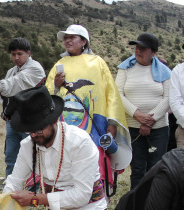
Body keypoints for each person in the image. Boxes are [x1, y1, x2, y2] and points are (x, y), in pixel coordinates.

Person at [3, 87, 108, 210]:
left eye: (39, 127)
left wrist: (35, 199)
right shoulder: (28, 145)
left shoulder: (79, 143)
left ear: (54, 120)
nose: (34, 134)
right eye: (30, 129)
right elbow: (14, 181)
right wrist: (4, 203)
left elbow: (82, 196)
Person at [45, 25, 132, 196]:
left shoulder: (97, 63)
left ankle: (98, 196)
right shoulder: (59, 65)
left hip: (94, 122)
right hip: (64, 122)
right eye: (66, 38)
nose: (68, 40)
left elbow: (111, 93)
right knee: (66, 158)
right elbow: (48, 95)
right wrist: (56, 85)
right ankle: (67, 197)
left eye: (73, 37)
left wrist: (112, 122)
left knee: (95, 157)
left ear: (84, 41)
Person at [0, 38, 46, 176]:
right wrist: (6, 111)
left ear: (28, 53)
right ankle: (10, 188)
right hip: (13, 120)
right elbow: (7, 95)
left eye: (20, 54)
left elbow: (16, 83)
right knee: (11, 157)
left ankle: (34, 189)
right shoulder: (11, 71)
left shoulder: (35, 69)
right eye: (13, 54)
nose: (16, 58)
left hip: (31, 121)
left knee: (33, 157)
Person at [115, 32, 172, 189]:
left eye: (143, 48)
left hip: (159, 128)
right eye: (137, 47)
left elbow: (168, 98)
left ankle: (153, 205)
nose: (138, 51)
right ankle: (136, 206)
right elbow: (118, 93)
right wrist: (137, 115)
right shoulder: (125, 68)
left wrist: (149, 121)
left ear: (153, 52)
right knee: (138, 169)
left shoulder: (165, 72)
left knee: (156, 168)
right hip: (133, 127)